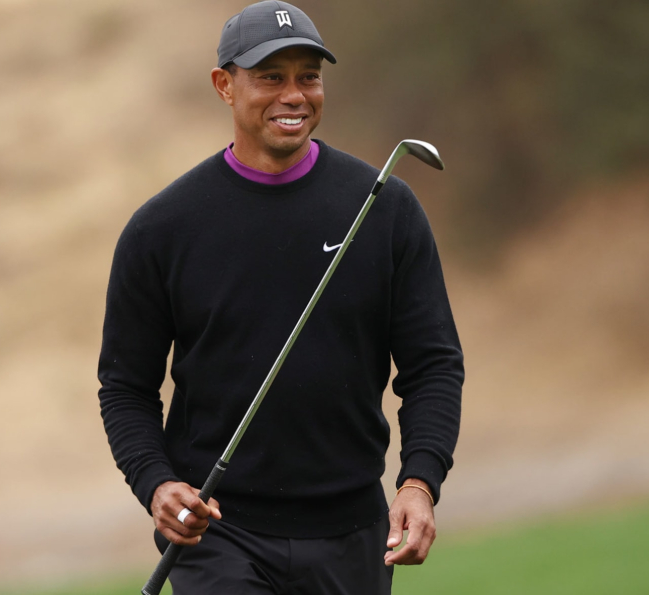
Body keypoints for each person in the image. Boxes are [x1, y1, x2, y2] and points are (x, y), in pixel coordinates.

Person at [97, 2, 464, 593]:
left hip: (353, 531)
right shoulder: (162, 229)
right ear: (225, 85)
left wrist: (419, 483)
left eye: (308, 76)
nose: (294, 95)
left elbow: (433, 365)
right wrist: (156, 484)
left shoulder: (386, 209)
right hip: (219, 532)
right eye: (271, 77)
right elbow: (125, 386)